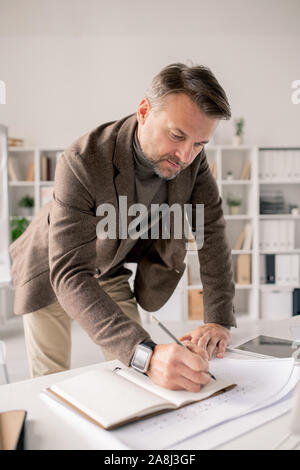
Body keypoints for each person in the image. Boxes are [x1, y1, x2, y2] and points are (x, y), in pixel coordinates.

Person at [9, 62, 236, 392]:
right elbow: (69, 274)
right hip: (52, 270)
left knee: (136, 378)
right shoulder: (82, 160)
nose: (186, 154)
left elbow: (210, 230)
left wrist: (217, 318)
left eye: (200, 143)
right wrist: (145, 355)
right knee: (51, 383)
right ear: (145, 110)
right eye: (177, 135)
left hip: (109, 268)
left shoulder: (191, 159)